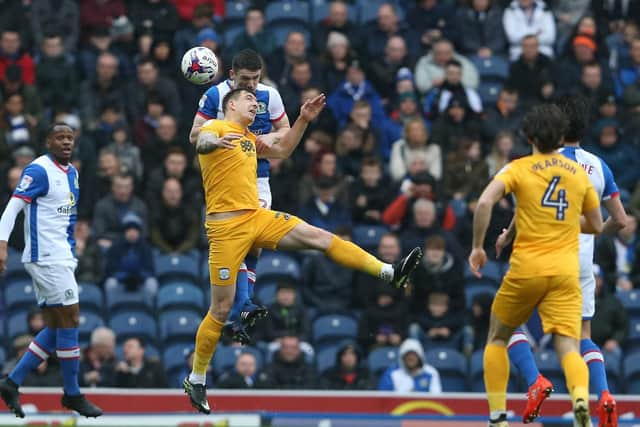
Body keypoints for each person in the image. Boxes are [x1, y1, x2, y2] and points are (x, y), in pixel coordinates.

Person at [183, 87, 422, 413]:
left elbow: (282, 149)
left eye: (256, 100)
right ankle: (196, 379)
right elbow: (200, 141)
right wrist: (213, 142)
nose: (255, 103)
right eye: (249, 100)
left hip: (257, 217)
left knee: (320, 238)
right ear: (231, 105)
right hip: (225, 229)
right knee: (221, 309)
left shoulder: (248, 137)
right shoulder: (217, 128)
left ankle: (389, 272)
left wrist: (303, 121)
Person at [468, 104, 603, 427]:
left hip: (526, 270)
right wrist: (568, 222)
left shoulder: (518, 168)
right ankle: (581, 400)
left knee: (498, 337)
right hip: (565, 273)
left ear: (528, 136)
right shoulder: (578, 175)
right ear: (560, 137)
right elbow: (597, 225)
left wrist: (477, 246)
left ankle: (498, 417)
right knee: (568, 344)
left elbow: (485, 201)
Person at [498, 96, 627, 426]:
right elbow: (621, 220)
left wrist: (507, 236)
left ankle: (534, 382)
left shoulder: (543, 162)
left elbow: (526, 207)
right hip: (579, 263)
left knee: (507, 325)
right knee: (582, 334)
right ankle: (604, 396)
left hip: (540, 256)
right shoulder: (599, 166)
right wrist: (591, 233)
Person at [188, 49, 293, 341]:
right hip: (224, 179)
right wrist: (218, 140)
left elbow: (284, 129)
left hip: (257, 177)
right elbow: (194, 136)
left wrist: (266, 139)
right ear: (232, 75)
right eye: (245, 80)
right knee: (240, 243)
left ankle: (242, 308)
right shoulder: (214, 96)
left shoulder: (269, 96)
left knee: (253, 244)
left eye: (256, 79)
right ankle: (241, 309)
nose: (251, 86)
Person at [0, 123, 102, 418]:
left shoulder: (72, 173)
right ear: (48, 141)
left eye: (70, 138)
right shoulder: (38, 170)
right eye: (60, 137)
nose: (66, 142)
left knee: (59, 326)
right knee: (71, 317)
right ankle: (72, 393)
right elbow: (13, 208)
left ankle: (12, 381)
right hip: (45, 256)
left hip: (63, 255)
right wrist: (2, 244)